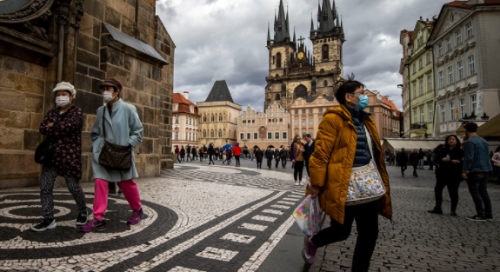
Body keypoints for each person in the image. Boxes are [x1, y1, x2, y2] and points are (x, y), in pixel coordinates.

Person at [304, 78, 391, 271]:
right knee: (341, 231)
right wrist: (316, 184)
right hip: (343, 183)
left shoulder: (367, 119)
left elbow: (374, 151)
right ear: (349, 97)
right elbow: (321, 153)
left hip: (367, 183)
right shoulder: (332, 118)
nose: (365, 97)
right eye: (361, 93)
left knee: (369, 233)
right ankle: (314, 241)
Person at [81, 78, 143, 232]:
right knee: (100, 182)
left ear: (117, 91)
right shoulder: (100, 111)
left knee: (126, 183)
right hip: (104, 154)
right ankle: (98, 218)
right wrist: (97, 146)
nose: (106, 92)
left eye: (109, 89)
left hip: (121, 154)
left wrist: (127, 144)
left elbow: (138, 132)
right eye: (104, 89)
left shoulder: (129, 109)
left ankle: (137, 209)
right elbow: (95, 133)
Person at [32, 82, 88, 232]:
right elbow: (43, 128)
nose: (60, 97)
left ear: (71, 96)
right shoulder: (51, 112)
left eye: (64, 94)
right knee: (45, 187)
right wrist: (55, 126)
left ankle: (83, 211)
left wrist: (53, 126)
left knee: (73, 187)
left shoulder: (77, 112)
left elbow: (69, 126)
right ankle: (48, 218)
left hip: (68, 157)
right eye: (58, 95)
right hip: (51, 156)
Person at [462, 122, 493, 221]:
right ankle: (488, 214)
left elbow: (469, 158)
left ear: (466, 130)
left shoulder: (469, 142)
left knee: (475, 192)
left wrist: (465, 171)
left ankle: (480, 214)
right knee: (483, 191)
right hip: (486, 168)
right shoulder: (483, 140)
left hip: (475, 169)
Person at [428, 135, 464, 216]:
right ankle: (438, 208)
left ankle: (453, 210)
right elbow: (436, 159)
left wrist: (451, 161)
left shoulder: (460, 151)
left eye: (453, 139)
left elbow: (460, 161)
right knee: (438, 190)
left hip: (454, 174)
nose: (451, 141)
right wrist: (441, 160)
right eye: (449, 139)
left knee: (453, 192)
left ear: (456, 141)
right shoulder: (443, 150)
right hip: (442, 173)